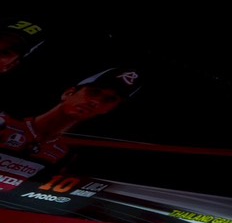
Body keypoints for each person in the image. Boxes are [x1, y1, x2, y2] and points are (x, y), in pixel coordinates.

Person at [0, 66, 140, 165]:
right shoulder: (5, 123)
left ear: (108, 110)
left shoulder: (63, 153)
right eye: (94, 92)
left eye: (109, 100)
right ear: (68, 93)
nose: (95, 102)